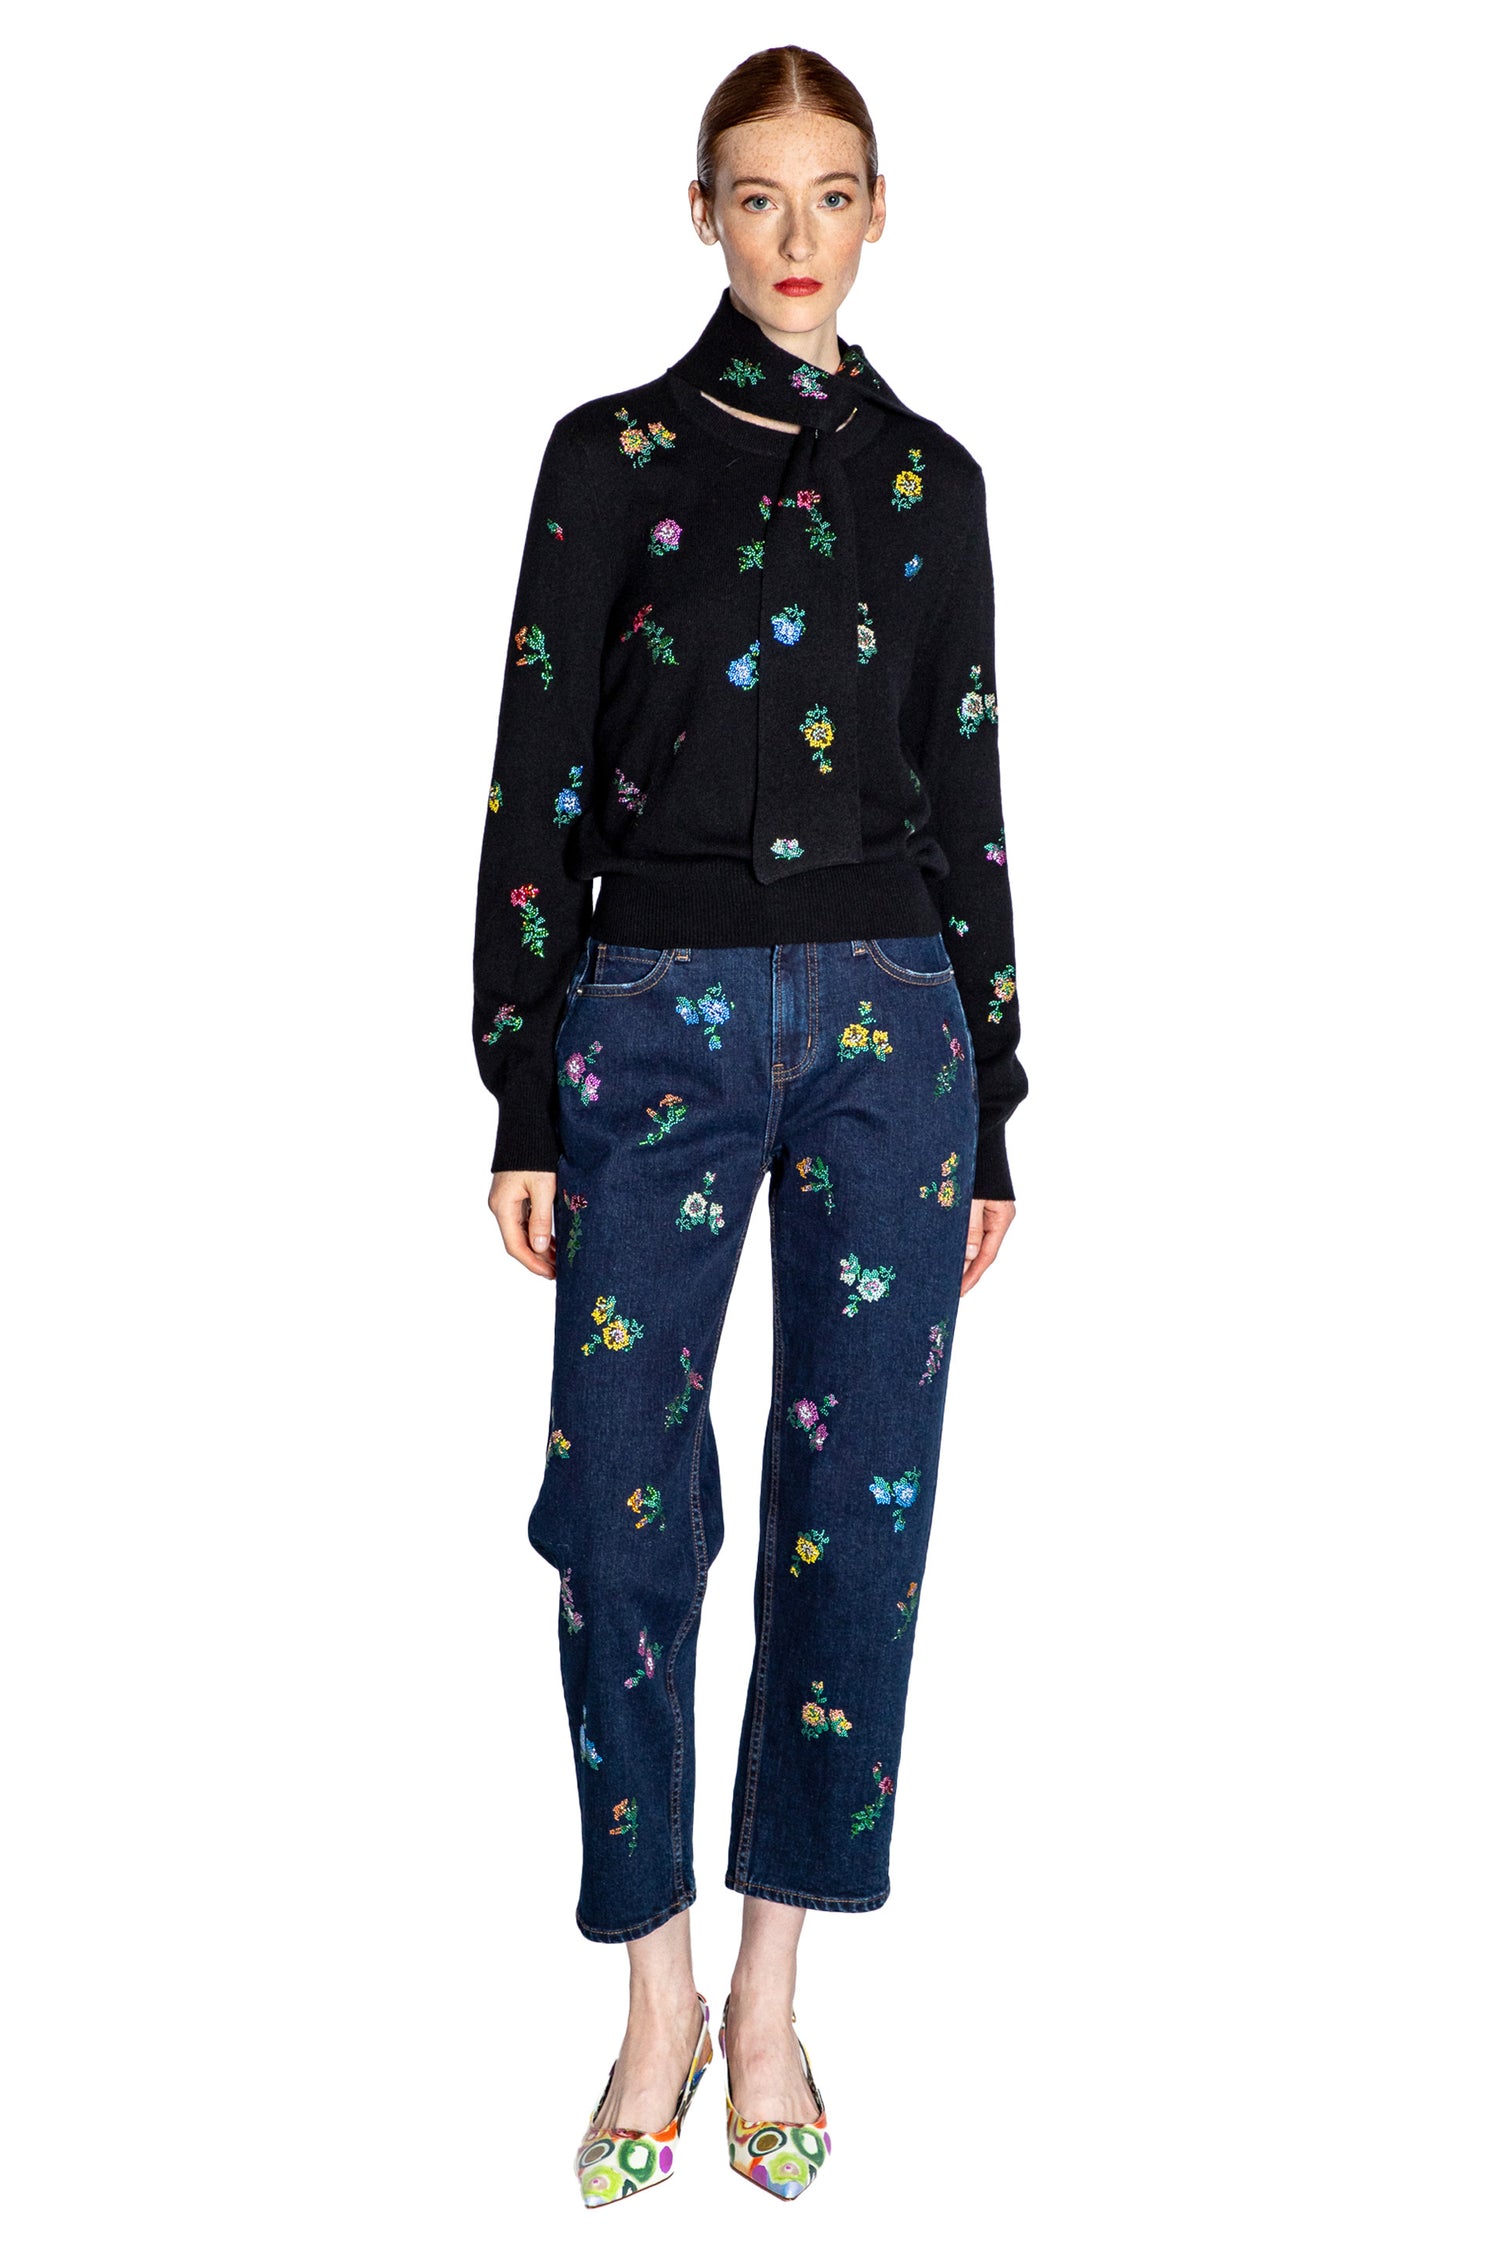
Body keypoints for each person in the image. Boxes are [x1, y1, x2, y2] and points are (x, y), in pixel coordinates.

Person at [472, 45, 1027, 2206]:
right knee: (621, 1516)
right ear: (701, 214)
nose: (800, 238)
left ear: (880, 212)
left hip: (895, 1029)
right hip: (653, 1015)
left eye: (835, 194)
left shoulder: (936, 483)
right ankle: (656, 1994)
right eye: (759, 197)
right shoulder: (607, 460)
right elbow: (536, 777)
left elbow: (967, 789)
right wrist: (523, 1076)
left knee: (854, 1521)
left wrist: (999, 1102)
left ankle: (777, 1987)